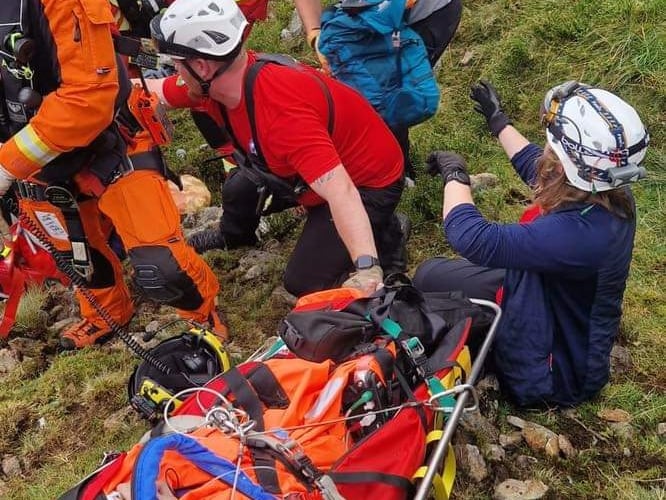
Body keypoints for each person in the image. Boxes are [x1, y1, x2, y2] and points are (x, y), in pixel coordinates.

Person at [0, 0, 225, 349]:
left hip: (113, 141)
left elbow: (87, 99)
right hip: (36, 161)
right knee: (78, 256)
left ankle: (202, 316)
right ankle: (106, 314)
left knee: (161, 267)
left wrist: (6, 165)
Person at [149, 0, 408, 297]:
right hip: (303, 171)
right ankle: (234, 236)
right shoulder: (220, 82)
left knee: (304, 282)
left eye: (177, 63)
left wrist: (366, 268)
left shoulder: (282, 115)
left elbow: (342, 192)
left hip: (367, 184)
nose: (176, 72)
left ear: (201, 66)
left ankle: (386, 233)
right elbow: (156, 92)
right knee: (238, 187)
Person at [415, 80, 649, 406]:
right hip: (545, 295)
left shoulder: (578, 236)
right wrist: (499, 122)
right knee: (429, 276)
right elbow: (541, 171)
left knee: (428, 292)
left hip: (554, 374)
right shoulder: (609, 193)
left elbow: (471, 237)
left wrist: (456, 175)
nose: (548, 150)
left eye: (555, 145)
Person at [294, 0, 463, 182]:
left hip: (425, 14)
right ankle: (390, 171)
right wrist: (316, 34)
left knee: (391, 95)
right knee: (372, 98)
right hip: (372, 13)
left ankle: (397, 176)